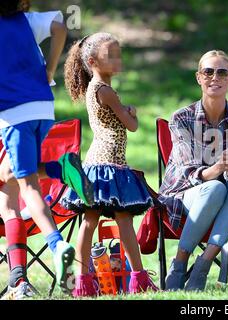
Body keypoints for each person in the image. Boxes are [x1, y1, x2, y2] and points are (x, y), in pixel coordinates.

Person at [0, 0, 93, 299]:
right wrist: (49, 70)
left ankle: (57, 245)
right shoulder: (26, 20)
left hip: (13, 113)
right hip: (43, 107)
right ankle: (59, 167)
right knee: (8, 175)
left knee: (26, 187)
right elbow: (60, 26)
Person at [61, 32, 158, 297]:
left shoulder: (97, 88)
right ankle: (138, 278)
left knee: (90, 220)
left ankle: (84, 282)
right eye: (110, 55)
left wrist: (126, 111)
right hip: (108, 164)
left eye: (119, 54)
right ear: (92, 61)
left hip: (97, 163)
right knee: (123, 219)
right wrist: (132, 113)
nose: (117, 60)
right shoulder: (105, 91)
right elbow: (132, 126)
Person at [158, 50, 228, 291]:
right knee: (213, 187)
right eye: (208, 72)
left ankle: (204, 264)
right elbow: (192, 173)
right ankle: (179, 263)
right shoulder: (181, 118)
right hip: (183, 196)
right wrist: (221, 166)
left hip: (226, 193)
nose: (215, 77)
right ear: (198, 77)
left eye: (222, 72)